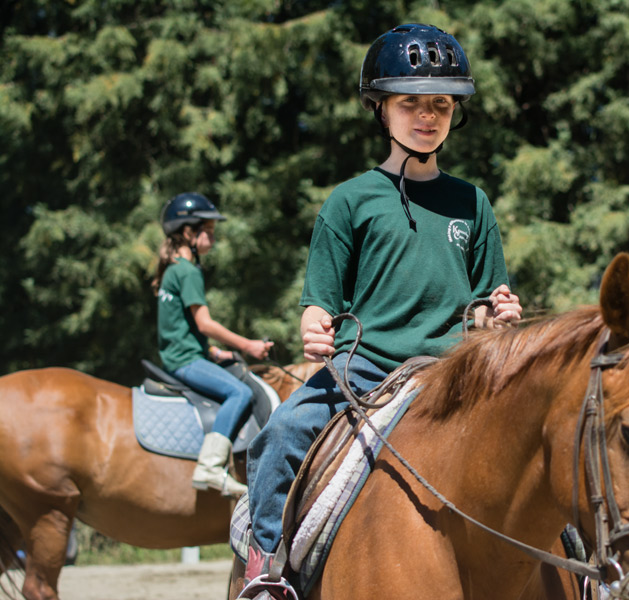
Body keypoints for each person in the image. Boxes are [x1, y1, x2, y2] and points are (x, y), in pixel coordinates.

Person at [241, 23, 523, 591]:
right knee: (279, 434)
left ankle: (587, 566)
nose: (428, 115)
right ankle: (266, 567)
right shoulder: (350, 200)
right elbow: (319, 302)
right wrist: (314, 327)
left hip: (452, 369)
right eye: (411, 102)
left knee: (541, 436)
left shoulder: (472, 202)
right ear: (380, 108)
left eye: (441, 103)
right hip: (363, 367)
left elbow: (486, 302)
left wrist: (500, 316)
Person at [153, 192, 273, 497]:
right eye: (209, 231)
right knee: (239, 392)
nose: (213, 239)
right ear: (189, 232)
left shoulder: (173, 269)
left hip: (183, 354)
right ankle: (210, 466)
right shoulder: (188, 271)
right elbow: (205, 323)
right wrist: (248, 345)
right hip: (184, 361)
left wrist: (214, 351)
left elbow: (182, 327)